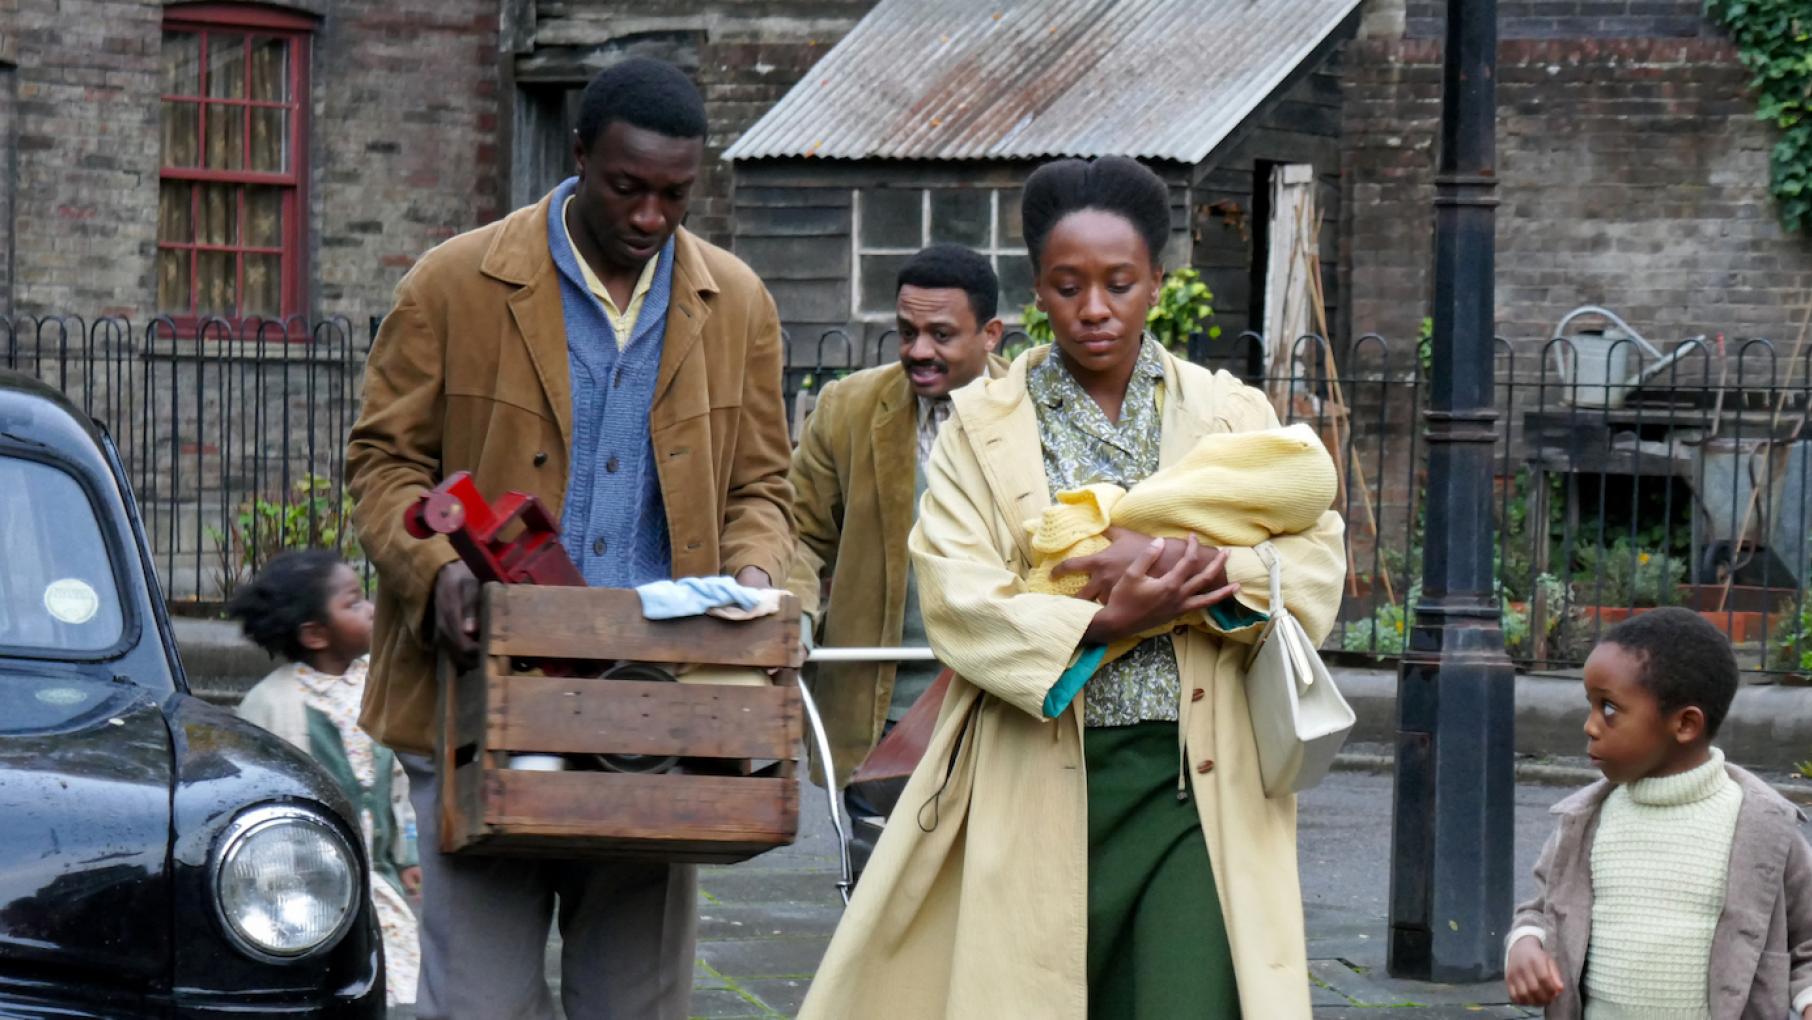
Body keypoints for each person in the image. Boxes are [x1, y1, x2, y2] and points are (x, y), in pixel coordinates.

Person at [797, 156, 1346, 1019]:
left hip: (1192, 783)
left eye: (1120, 283)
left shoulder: (1230, 412)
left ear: (1157, 283)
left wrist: (1205, 573)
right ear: (1038, 292)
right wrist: (1106, 617)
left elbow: (1314, 561)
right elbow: (957, 598)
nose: (1096, 309)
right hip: (1035, 779)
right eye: (1069, 285)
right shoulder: (984, 427)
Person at [345, 57, 794, 1020]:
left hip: (655, 709)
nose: (649, 217)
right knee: (480, 1003)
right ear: (579, 155)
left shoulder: (740, 303)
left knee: (634, 1004)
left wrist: (757, 577)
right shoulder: (455, 283)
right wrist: (435, 572)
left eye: (674, 195)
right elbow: (384, 467)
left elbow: (762, 484)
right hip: (477, 704)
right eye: (627, 187)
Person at [784, 243, 1007, 866]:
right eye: (906, 332)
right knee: (876, 900)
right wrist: (794, 614)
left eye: (942, 334)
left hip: (997, 705)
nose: (918, 351)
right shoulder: (849, 408)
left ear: (990, 334)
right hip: (877, 716)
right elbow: (797, 531)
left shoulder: (1034, 412)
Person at [1506, 607, 1812, 1019]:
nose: (1590, 725)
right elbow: (1541, 910)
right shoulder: (1585, 822)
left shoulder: (1765, 830)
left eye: (1609, 709)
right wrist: (1526, 944)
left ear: (1685, 725)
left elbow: (1807, 945)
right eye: (1590, 706)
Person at [227, 550, 420, 1008]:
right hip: (304, 888)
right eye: (353, 603)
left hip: (378, 878)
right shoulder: (271, 704)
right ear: (315, 634)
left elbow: (399, 779)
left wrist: (407, 849)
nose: (371, 608)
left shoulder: (378, 684)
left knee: (395, 981)